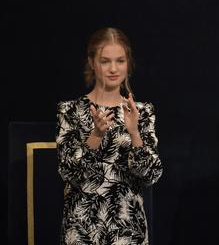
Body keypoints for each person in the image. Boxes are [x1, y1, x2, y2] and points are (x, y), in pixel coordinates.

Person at [56, 28, 163, 245]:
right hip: (82, 230)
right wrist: (95, 136)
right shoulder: (70, 111)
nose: (113, 69)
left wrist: (134, 133)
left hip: (128, 231)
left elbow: (151, 175)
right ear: (92, 62)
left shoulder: (141, 112)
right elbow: (68, 172)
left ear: (128, 64)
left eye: (120, 61)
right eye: (105, 61)